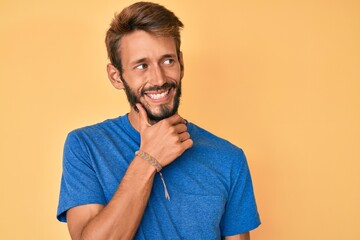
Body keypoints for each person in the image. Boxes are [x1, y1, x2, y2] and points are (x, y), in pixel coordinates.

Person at [57, 2, 260, 239]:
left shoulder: (228, 158)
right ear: (117, 76)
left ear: (181, 63)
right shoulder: (86, 146)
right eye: (142, 65)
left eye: (167, 61)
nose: (159, 78)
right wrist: (148, 159)